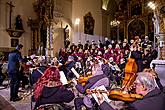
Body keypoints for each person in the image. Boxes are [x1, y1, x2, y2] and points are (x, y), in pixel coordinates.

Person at [98, 71, 165, 110]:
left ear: (144, 87)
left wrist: (102, 103)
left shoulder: (136, 106)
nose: (133, 86)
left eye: (136, 84)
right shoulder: (161, 96)